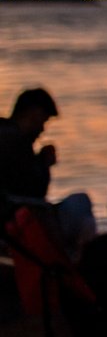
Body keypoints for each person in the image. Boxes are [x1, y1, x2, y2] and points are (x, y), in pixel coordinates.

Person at [1, 87, 98, 255]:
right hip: (17, 223)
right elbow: (33, 189)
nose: (43, 129)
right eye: (43, 120)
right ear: (33, 113)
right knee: (81, 202)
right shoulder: (13, 140)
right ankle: (82, 263)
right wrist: (44, 162)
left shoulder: (8, 135)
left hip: (13, 217)